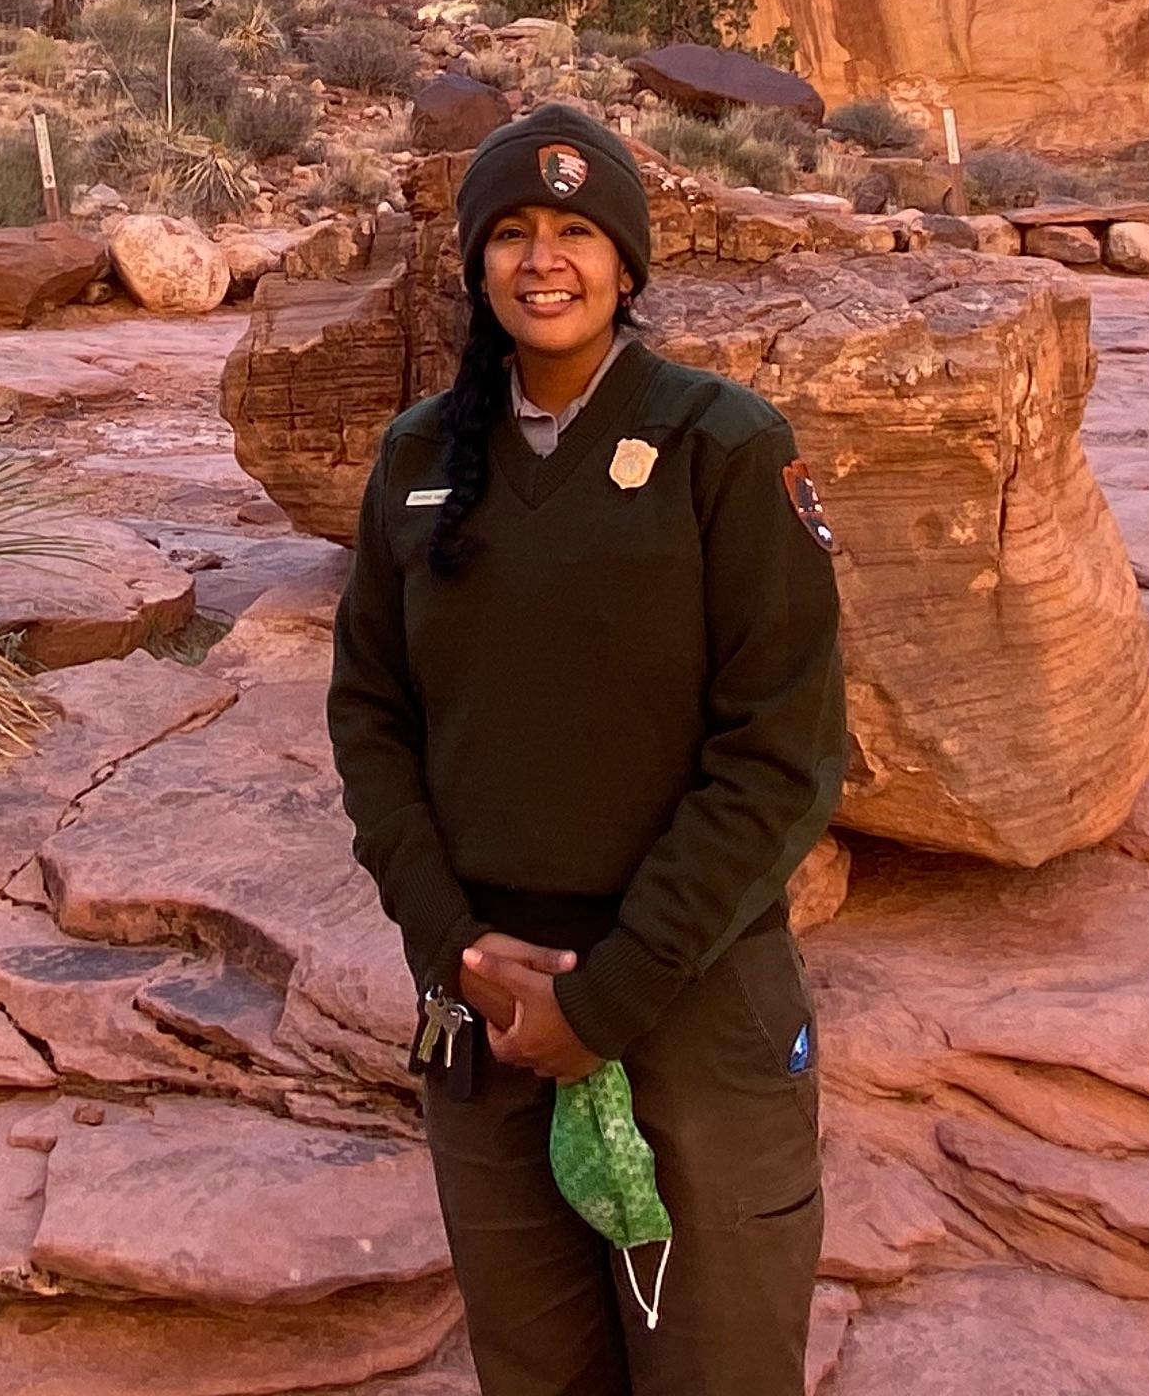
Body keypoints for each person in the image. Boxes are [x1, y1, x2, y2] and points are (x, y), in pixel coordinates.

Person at [326, 101, 848, 1396]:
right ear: (474, 265)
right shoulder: (417, 463)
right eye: (509, 232)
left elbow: (782, 755)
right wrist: (448, 940)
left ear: (626, 264)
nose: (541, 260)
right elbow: (372, 722)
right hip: (487, 1022)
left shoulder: (722, 448)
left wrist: (603, 1000)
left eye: (574, 230)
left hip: (692, 1015)